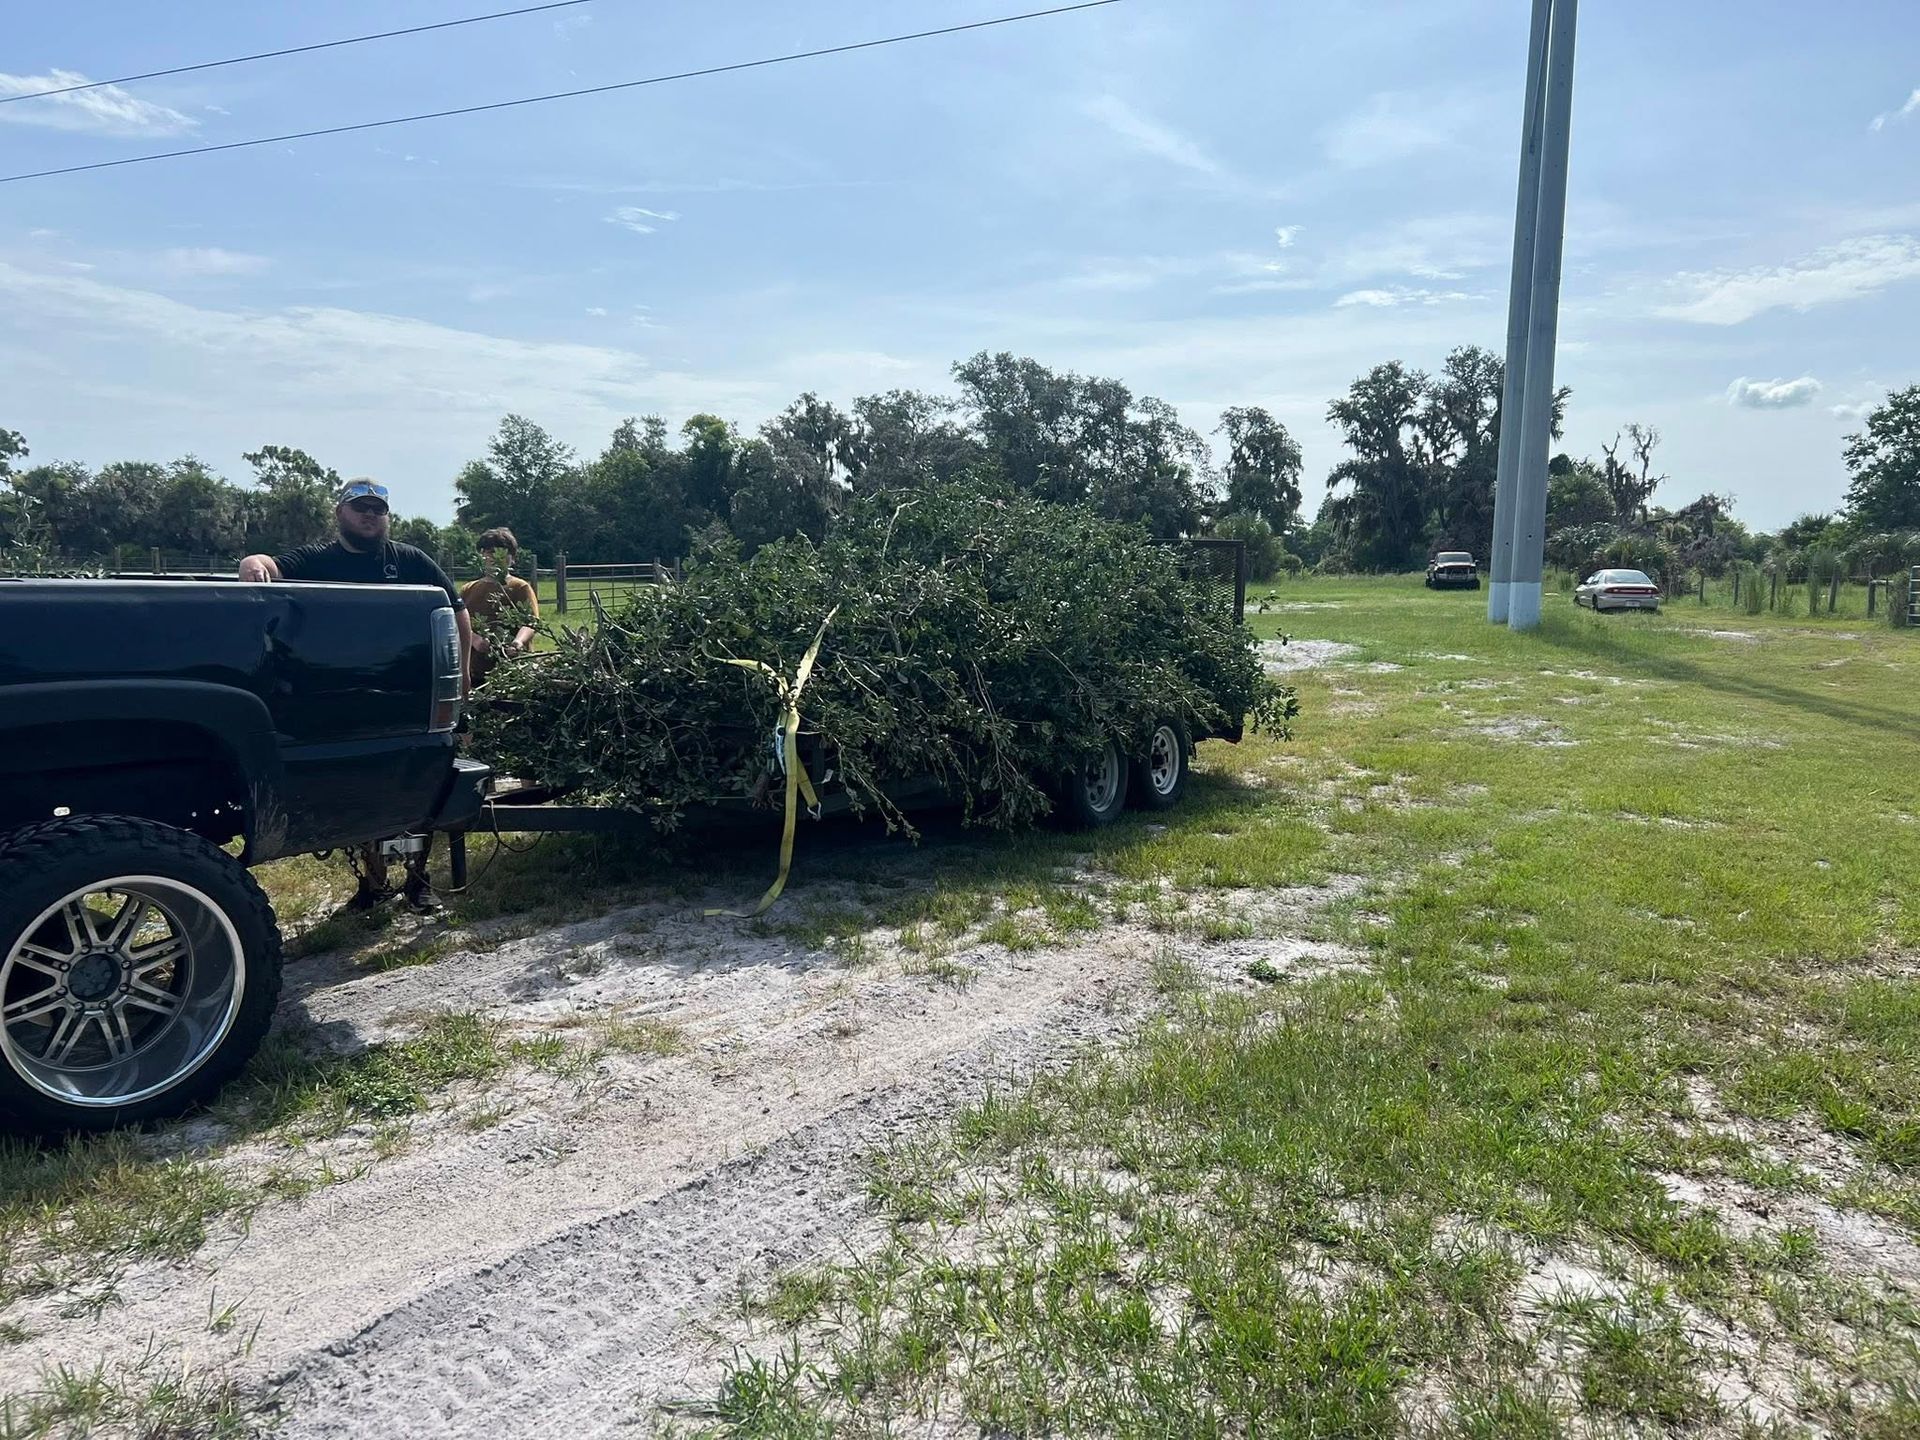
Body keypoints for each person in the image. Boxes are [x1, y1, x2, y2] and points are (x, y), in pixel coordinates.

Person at [238, 478, 471, 913]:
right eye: (360, 507)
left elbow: (457, 613)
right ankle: (373, 884)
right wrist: (253, 560)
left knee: (421, 785)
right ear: (340, 513)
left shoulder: (412, 561)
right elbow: (272, 564)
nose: (369, 516)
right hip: (348, 699)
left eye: (377, 510)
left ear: (387, 516)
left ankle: (419, 882)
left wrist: (461, 682)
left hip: (412, 694)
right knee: (366, 793)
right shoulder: (319, 559)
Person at [461, 527, 539, 687]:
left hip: (513, 670)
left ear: (512, 558)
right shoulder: (468, 589)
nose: (495, 557)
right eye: (489, 552)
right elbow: (458, 624)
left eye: (502, 552)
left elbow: (531, 623)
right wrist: (474, 639)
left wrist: (518, 642)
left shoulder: (520, 587)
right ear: (482, 555)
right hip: (475, 671)